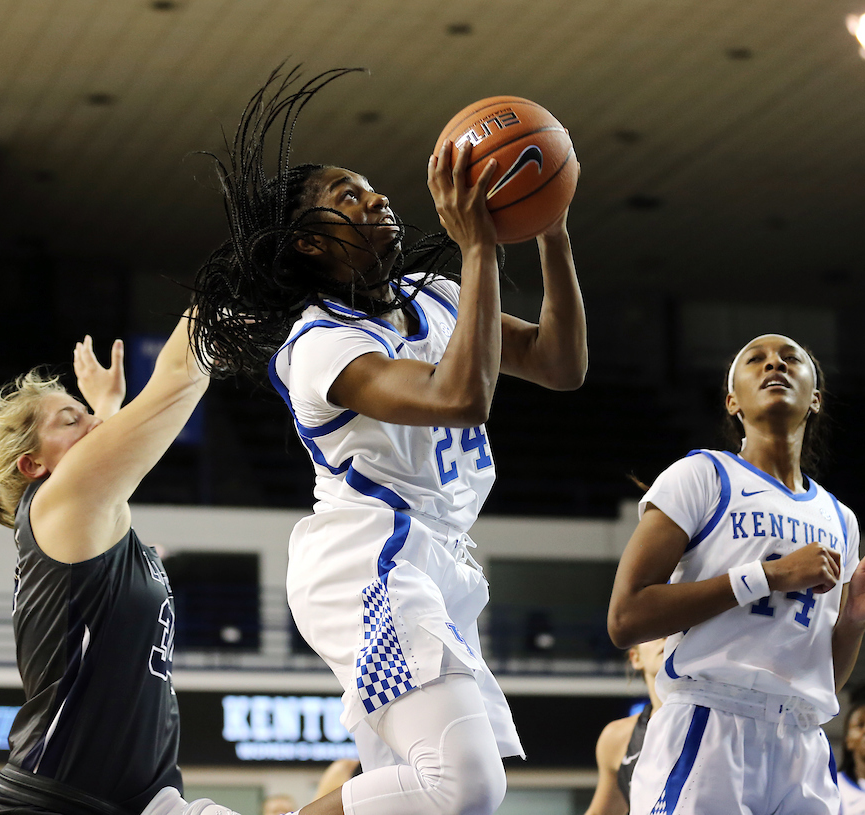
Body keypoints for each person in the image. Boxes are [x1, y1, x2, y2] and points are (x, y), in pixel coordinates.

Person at [189, 66, 587, 815]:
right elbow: (459, 398)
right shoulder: (317, 343)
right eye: (348, 195)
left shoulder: (434, 301)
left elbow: (561, 365)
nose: (377, 198)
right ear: (309, 242)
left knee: (422, 800)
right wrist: (477, 252)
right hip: (367, 561)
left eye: (373, 187)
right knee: (466, 782)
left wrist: (550, 228)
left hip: (442, 564)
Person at [606, 334, 865, 815]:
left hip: (802, 740)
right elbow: (625, 618)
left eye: (791, 358)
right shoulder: (702, 476)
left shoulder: (840, 519)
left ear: (815, 397)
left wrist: (854, 619)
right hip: (709, 723)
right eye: (756, 359)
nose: (775, 363)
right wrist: (767, 576)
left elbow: (825, 681)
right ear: (733, 401)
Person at [0, 316, 237, 815]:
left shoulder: (91, 522)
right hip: (49, 803)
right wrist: (223, 296)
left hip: (139, 802)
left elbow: (100, 456)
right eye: (71, 420)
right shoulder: (57, 500)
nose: (97, 425)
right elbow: (177, 381)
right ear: (33, 466)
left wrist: (102, 407)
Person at [583, 638, 666, 815]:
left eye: (675, 632)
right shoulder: (618, 737)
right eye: (655, 632)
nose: (666, 637)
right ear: (635, 658)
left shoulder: (725, 724)